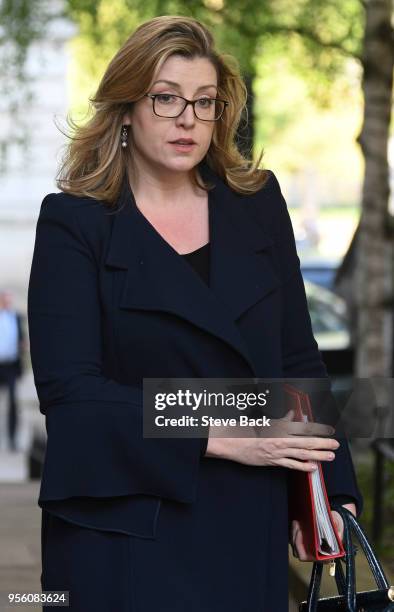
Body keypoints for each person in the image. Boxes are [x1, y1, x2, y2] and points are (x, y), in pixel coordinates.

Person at [27, 15, 363, 612]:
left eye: (204, 102)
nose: (187, 118)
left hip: (247, 520)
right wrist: (227, 434)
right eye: (166, 98)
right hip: (123, 528)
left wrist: (330, 491)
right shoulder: (73, 223)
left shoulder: (256, 205)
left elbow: (295, 356)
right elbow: (72, 395)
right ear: (126, 109)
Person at [0, 288, 25, 451]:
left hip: (11, 365)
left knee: (13, 403)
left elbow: (21, 338)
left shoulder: (16, 317)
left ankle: (12, 439)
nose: (8, 302)